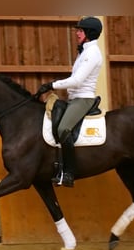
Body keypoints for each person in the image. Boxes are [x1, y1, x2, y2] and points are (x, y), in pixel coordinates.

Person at [38, 16, 103, 187]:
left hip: (84, 99)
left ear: (89, 33)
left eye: (80, 30)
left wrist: (51, 84)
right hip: (73, 98)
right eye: (78, 30)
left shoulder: (92, 53)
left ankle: (69, 173)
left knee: (63, 128)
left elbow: (77, 81)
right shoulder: (83, 52)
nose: (77, 33)